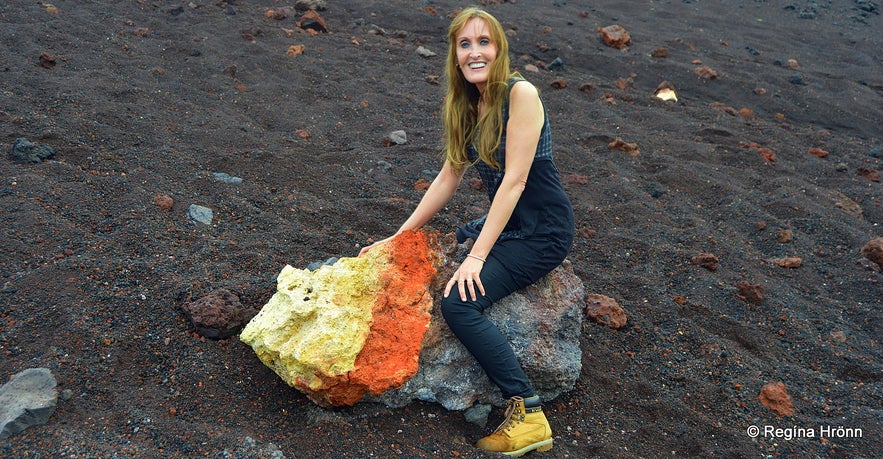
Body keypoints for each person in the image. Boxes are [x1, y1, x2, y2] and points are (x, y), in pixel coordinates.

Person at [360, 6, 574, 457]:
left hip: (543, 230)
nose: (475, 52)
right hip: (513, 221)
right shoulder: (466, 103)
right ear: (455, 55)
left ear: (499, 50)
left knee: (460, 303)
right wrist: (398, 236)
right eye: (465, 44)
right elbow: (447, 178)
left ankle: (528, 411)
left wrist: (477, 256)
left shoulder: (522, 94)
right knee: (459, 236)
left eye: (484, 42)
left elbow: (515, 181)